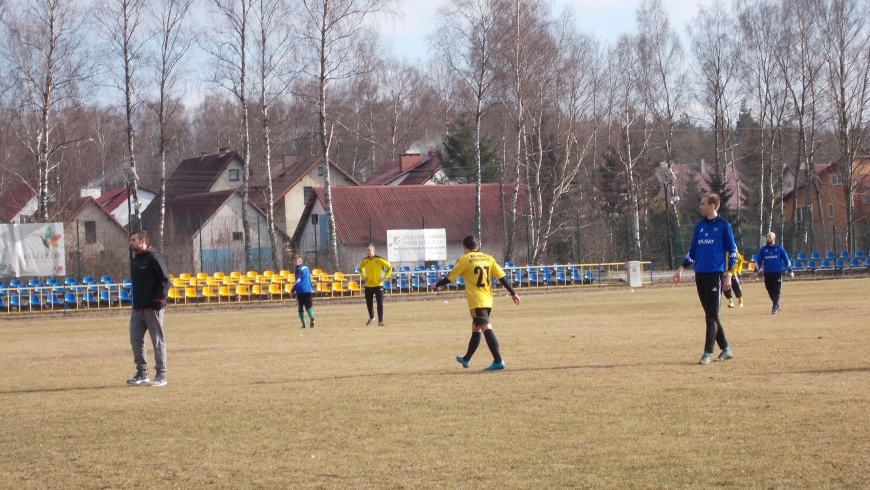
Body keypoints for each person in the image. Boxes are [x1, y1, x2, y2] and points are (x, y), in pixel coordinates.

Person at [428, 235, 521, 371]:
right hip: (488, 299)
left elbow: (450, 277)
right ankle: (466, 359)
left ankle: (498, 360)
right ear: (477, 246)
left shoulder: (465, 259)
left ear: (464, 247)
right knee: (476, 328)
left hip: (476, 300)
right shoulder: (489, 258)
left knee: (485, 327)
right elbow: (502, 277)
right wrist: (513, 293)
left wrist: (436, 285)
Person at [673, 194, 738, 365]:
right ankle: (726, 350)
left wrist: (729, 274)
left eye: (702, 204)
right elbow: (692, 251)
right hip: (699, 275)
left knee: (711, 316)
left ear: (712, 206)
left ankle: (707, 353)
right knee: (711, 315)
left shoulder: (724, 226)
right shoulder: (700, 226)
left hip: (715, 275)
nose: (700, 206)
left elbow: (733, 253)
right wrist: (681, 268)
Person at [126, 230, 170, 387]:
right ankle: (142, 373)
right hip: (137, 309)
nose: (130, 242)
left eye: (133, 240)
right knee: (135, 340)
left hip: (153, 308)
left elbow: (165, 280)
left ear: (142, 240)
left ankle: (161, 374)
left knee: (157, 340)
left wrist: (159, 299)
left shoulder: (153, 257)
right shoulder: (135, 260)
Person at [752, 232, 794, 314]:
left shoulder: (779, 248)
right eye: (767, 237)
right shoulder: (763, 249)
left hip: (777, 272)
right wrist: (755, 271)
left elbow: (786, 260)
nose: (767, 238)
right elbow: (759, 261)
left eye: (769, 237)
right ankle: (777, 304)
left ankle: (774, 307)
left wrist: (790, 271)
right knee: (769, 290)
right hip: (767, 273)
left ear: (774, 238)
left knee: (776, 289)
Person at [359, 244, 393, 326]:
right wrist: (363, 276)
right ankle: (372, 317)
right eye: (366, 250)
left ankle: (380, 321)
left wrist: (385, 277)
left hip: (378, 285)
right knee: (369, 303)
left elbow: (390, 267)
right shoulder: (365, 260)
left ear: (373, 251)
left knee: (379, 303)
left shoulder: (379, 259)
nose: (367, 252)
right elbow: (360, 268)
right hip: (368, 286)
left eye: (369, 250)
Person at [291, 255, 315, 328]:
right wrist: (311, 287)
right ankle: (311, 317)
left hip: (300, 291)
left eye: (295, 261)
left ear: (300, 261)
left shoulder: (298, 269)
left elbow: (298, 281)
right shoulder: (306, 268)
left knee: (300, 308)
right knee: (308, 306)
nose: (294, 263)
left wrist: (292, 290)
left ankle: (304, 325)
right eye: (293, 261)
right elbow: (309, 278)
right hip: (308, 290)